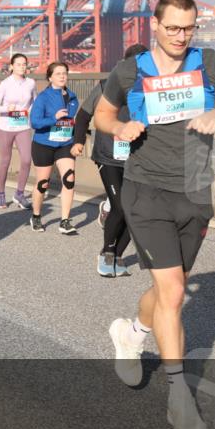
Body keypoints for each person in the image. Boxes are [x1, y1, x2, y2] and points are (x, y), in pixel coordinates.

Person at [96, 0, 215, 429]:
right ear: (155, 26)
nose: (182, 35)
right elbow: (103, 115)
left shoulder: (213, 65)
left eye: (189, 27)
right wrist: (121, 126)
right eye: (174, 28)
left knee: (168, 291)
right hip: (145, 192)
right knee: (175, 289)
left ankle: (131, 331)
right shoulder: (129, 71)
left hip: (195, 193)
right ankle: (179, 397)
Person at [73, 44, 147, 277]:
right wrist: (78, 141)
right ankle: (106, 252)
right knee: (121, 206)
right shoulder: (107, 86)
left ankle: (119, 254)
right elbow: (84, 114)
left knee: (135, 211)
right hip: (108, 155)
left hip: (137, 157)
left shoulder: (150, 89)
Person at [29, 61, 79, 235]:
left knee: (69, 179)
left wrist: (78, 141)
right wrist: (54, 118)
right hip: (44, 144)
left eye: (65, 73)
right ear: (50, 77)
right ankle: (36, 215)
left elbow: (72, 123)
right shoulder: (43, 97)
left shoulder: (72, 97)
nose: (62, 76)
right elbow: (34, 122)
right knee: (43, 183)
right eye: (58, 73)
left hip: (65, 144)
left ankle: (64, 221)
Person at [0, 53, 36, 209]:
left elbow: (33, 102)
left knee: (26, 160)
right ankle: (0, 193)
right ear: (11, 67)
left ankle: (19, 194)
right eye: (18, 64)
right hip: (5, 127)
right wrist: (6, 108)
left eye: (24, 64)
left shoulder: (31, 83)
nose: (22, 67)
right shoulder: (5, 84)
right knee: (5, 161)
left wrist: (29, 110)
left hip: (23, 125)